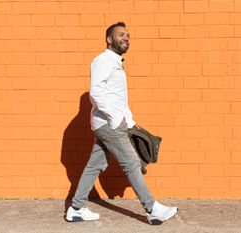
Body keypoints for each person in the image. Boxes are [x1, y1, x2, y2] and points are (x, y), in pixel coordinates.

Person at [65, 22, 178, 225]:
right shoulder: (103, 60)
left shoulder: (115, 62)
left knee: (95, 165)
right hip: (109, 124)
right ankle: (152, 208)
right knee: (131, 163)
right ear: (109, 39)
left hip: (109, 123)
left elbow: (117, 97)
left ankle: (77, 207)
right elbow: (96, 92)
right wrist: (115, 118)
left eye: (127, 35)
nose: (126, 38)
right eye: (121, 35)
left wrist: (130, 122)